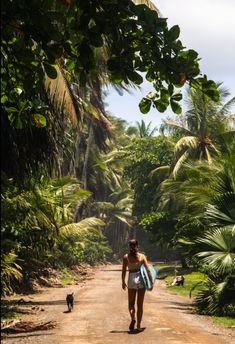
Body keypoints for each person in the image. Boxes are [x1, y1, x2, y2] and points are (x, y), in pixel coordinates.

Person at [122, 239, 153, 332]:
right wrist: (151, 282)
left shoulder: (126, 257)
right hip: (141, 280)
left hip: (131, 279)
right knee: (140, 305)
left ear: (129, 246)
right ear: (137, 245)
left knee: (131, 304)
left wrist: (123, 282)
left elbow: (123, 271)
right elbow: (148, 270)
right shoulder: (142, 256)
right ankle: (139, 325)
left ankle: (133, 318)